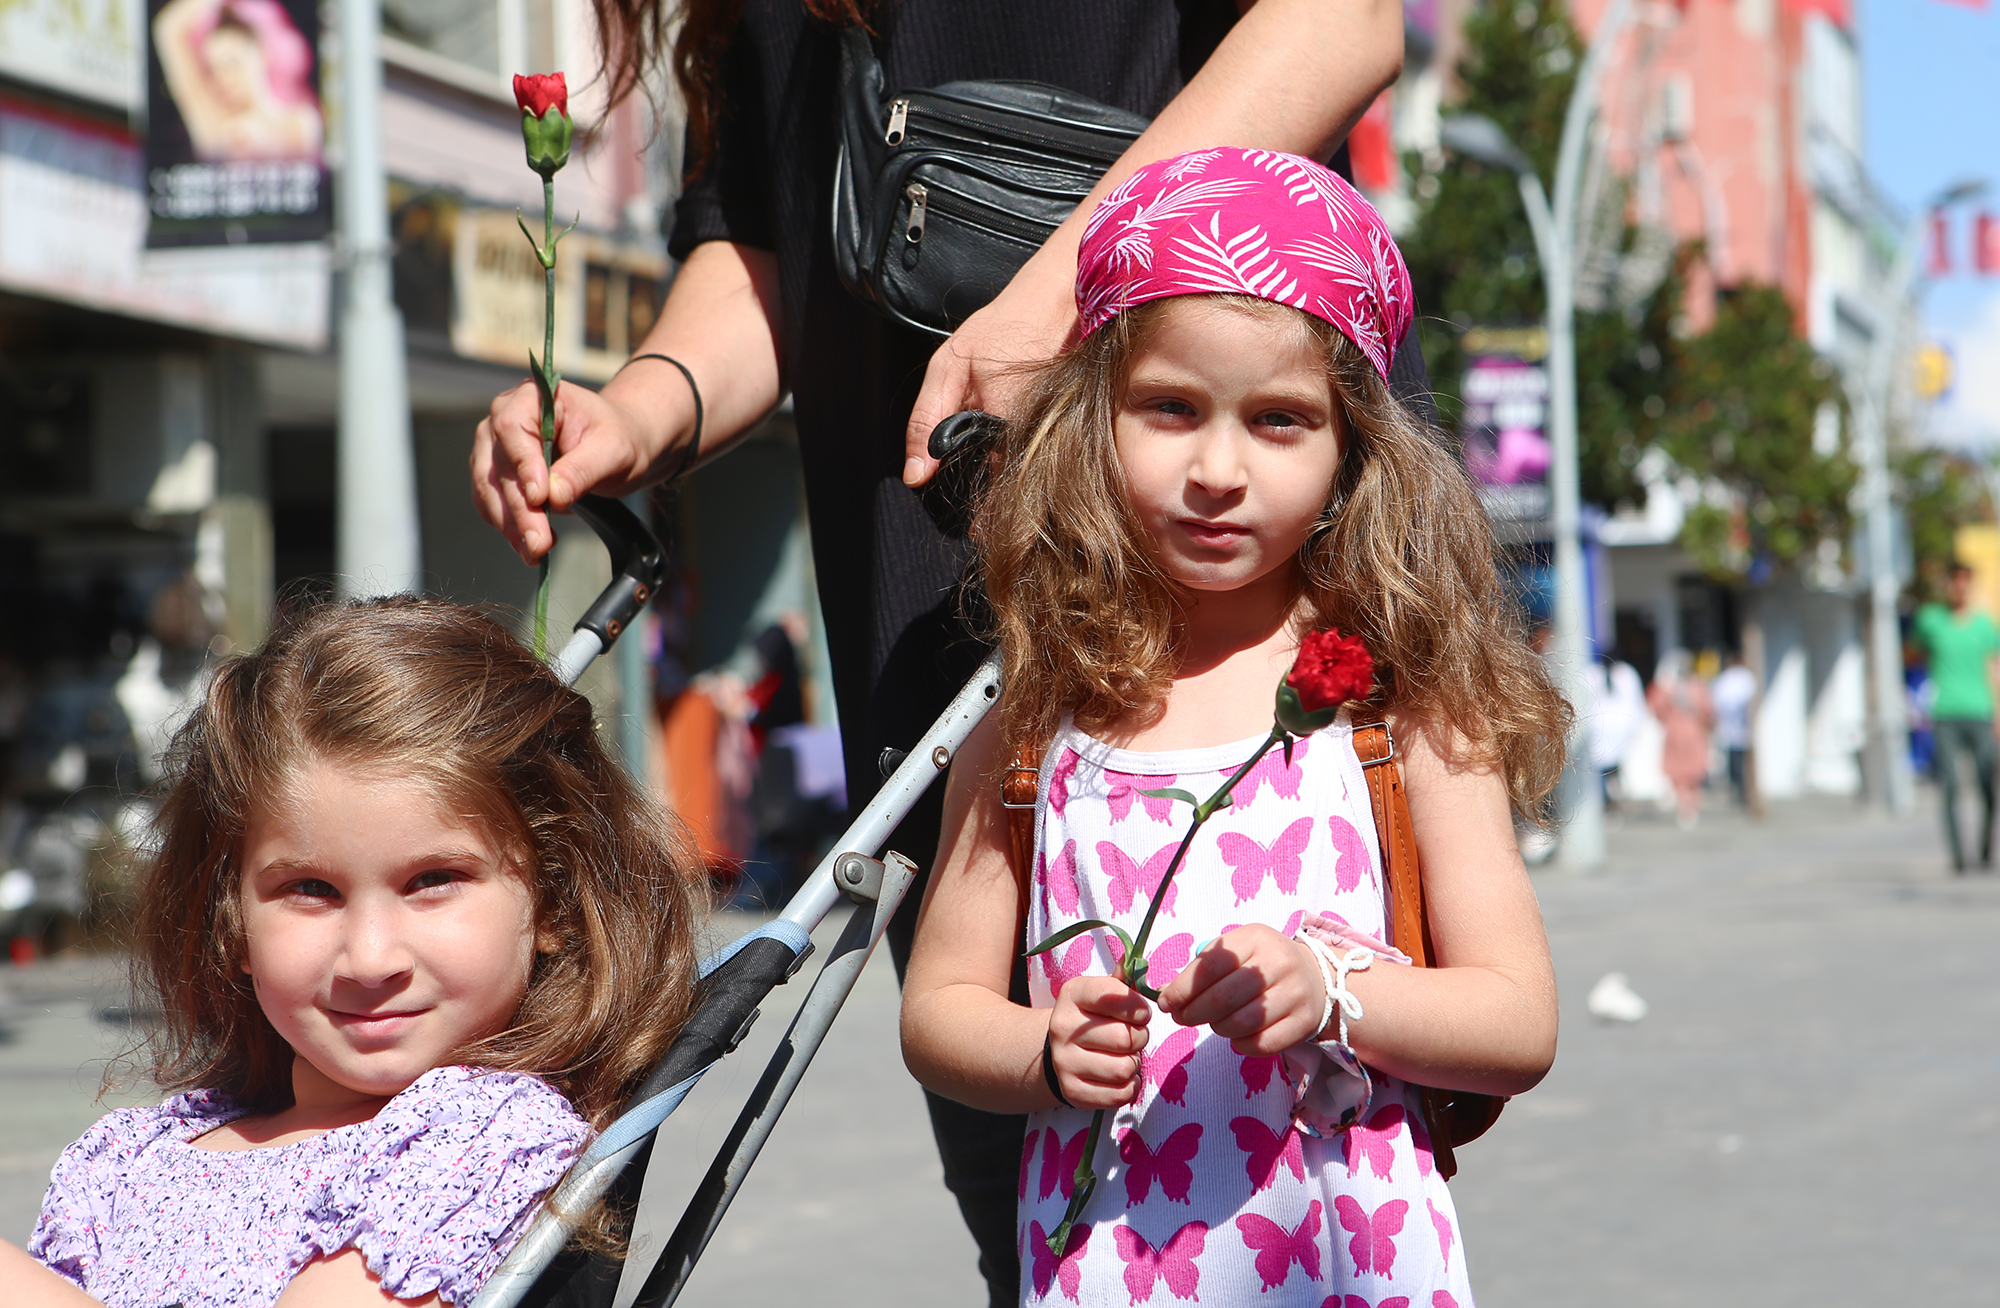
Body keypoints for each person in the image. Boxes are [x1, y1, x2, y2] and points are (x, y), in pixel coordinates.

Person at [470, 4, 1417, 1301]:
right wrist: (635, 413)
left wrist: (1062, 297)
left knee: (1283, 1190)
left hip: (1208, 647)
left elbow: (1342, 24)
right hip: (950, 666)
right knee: (1037, 1232)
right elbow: (773, 240)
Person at [899, 150, 1563, 1305]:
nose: (1216, 469)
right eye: (1167, 408)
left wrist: (1333, 988)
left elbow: (1515, 1015)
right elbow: (937, 1008)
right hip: (1106, 1266)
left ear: (1352, 450)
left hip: (1346, 1274)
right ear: (1089, 419)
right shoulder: (1036, 715)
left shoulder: (1394, 706)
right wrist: (1041, 1051)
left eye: (1278, 421)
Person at [1, 598, 708, 1308]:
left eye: (433, 881)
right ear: (232, 925)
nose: (370, 959)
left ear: (551, 902)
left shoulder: (483, 1141)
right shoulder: (128, 1160)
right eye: (310, 889)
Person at [1913, 562, 2000, 871]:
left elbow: (1994, 669)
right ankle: (1958, 857)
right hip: (1945, 713)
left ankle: (1985, 849)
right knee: (1949, 785)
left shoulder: (1984, 625)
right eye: (1954, 582)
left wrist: (1997, 714)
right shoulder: (1931, 621)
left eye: (1965, 582)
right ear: (1948, 585)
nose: (1959, 587)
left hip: (1980, 712)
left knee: (1987, 785)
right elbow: (1916, 654)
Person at [1647, 652, 1713, 829]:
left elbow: (1656, 708)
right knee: (1683, 772)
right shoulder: (1692, 687)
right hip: (1683, 734)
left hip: (1686, 734)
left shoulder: (1690, 687)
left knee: (1691, 772)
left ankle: (1688, 807)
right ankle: (1688, 806)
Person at [1710, 651, 1756, 810]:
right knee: (1736, 762)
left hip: (1739, 727)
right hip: (1735, 728)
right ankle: (1739, 790)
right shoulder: (1739, 678)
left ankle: (1742, 790)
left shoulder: (1734, 678)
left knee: (1739, 761)